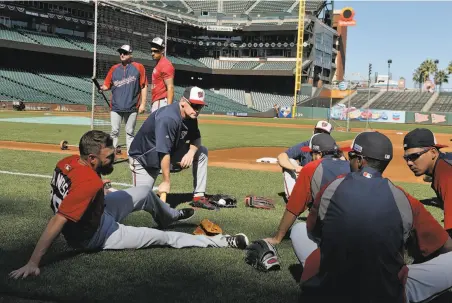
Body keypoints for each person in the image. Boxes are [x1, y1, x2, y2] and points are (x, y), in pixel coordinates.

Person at [9, 130, 249, 280]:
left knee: (145, 191)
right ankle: (220, 241)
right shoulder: (89, 183)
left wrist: (101, 190)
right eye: (109, 157)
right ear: (92, 159)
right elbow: (57, 221)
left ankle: (169, 216)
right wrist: (33, 262)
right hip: (94, 235)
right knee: (161, 238)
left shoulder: (68, 161)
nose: (114, 158)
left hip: (97, 212)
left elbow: (72, 191)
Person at [291, 131, 452, 303]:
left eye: (351, 156)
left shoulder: (331, 187)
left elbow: (313, 231)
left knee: (299, 229)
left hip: (331, 288)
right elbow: (444, 245)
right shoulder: (404, 199)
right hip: (385, 293)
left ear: (360, 160)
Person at [128, 86, 216, 210]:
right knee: (139, 202)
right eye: (194, 105)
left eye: (200, 107)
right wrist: (166, 181)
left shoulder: (191, 117)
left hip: (168, 153)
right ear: (183, 102)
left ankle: (198, 196)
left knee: (201, 152)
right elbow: (164, 152)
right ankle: (108, 192)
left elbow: (196, 138)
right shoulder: (168, 118)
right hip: (145, 160)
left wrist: (191, 152)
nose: (197, 110)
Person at [265, 133, 350, 245]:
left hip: (329, 235)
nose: (311, 157)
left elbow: (293, 208)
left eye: (312, 154)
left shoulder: (311, 168)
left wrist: (277, 238)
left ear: (319, 154)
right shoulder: (350, 166)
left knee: (298, 229)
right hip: (354, 231)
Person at [99, 44, 148, 154]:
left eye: (125, 52)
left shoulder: (139, 67)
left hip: (132, 106)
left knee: (130, 132)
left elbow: (143, 86)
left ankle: (131, 155)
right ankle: (111, 155)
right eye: (120, 52)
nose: (122, 54)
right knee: (114, 131)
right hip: (116, 106)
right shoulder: (114, 69)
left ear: (130, 54)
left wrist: (143, 104)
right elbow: (107, 85)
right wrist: (101, 88)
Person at [403, 128, 452, 235]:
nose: (409, 163)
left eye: (414, 156)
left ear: (433, 152)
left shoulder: (445, 174)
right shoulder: (444, 162)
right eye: (406, 158)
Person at [277, 120, 333, 199]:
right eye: (318, 131)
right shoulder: (305, 145)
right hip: (306, 182)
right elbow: (281, 157)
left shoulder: (333, 149)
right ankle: (293, 198)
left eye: (324, 133)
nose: (320, 135)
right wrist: (295, 168)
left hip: (323, 184)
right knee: (290, 161)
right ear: (313, 131)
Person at [148, 37, 175, 113]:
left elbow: (170, 87)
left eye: (155, 51)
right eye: (151, 51)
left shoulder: (166, 64)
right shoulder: (158, 64)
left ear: (162, 50)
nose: (152, 53)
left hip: (162, 102)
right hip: (157, 101)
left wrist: (168, 108)